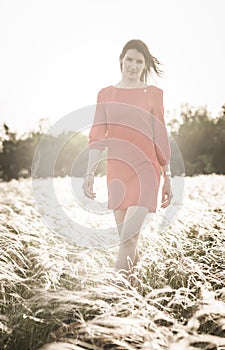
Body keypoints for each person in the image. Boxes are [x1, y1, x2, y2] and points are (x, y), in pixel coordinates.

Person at [82, 39, 173, 276]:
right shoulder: (106, 94)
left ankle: (115, 296)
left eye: (139, 61)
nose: (133, 65)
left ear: (145, 65)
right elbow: (98, 136)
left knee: (126, 241)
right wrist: (90, 172)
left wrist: (168, 175)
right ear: (121, 60)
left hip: (146, 170)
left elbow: (160, 135)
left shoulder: (153, 94)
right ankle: (135, 297)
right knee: (128, 241)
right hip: (117, 172)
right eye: (130, 59)